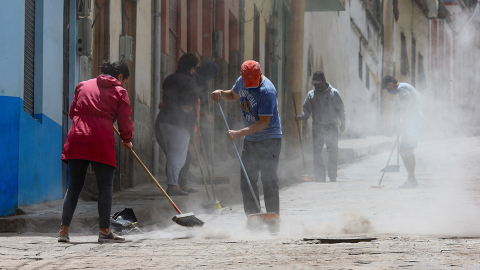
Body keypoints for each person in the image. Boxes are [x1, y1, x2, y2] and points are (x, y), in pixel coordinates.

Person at [59, 62, 134, 243]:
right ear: (121, 77)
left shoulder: (83, 85)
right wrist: (127, 139)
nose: (124, 85)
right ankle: (104, 231)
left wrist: (90, 115)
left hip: (78, 135)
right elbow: (124, 120)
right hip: (101, 138)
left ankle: (63, 230)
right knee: (105, 187)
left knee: (74, 186)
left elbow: (72, 112)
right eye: (125, 81)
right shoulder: (120, 91)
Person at [211, 60, 282, 216]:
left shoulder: (267, 91)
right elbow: (233, 95)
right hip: (251, 140)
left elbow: (263, 123)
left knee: (269, 180)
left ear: (260, 74)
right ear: (242, 76)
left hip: (270, 139)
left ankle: (272, 217)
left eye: (253, 81)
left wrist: (238, 133)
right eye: (247, 81)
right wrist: (221, 93)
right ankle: (253, 217)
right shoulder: (241, 81)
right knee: (247, 181)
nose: (249, 85)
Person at [155, 53, 200, 196]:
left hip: (163, 122)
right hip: (179, 124)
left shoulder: (169, 79)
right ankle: (173, 186)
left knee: (178, 155)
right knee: (177, 156)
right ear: (192, 68)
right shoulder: (190, 81)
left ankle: (183, 185)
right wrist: (192, 127)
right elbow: (190, 104)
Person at [295, 71, 346, 182]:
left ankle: (332, 176)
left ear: (324, 81)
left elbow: (341, 109)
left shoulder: (334, 93)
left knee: (332, 151)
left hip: (331, 126)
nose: (317, 87)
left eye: (319, 84)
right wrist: (300, 116)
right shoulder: (311, 95)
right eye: (315, 85)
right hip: (317, 127)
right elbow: (306, 112)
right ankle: (320, 177)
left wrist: (343, 122)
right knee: (317, 152)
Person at [177, 61, 219, 185]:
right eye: (210, 76)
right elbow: (196, 100)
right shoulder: (197, 80)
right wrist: (206, 115)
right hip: (188, 116)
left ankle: (184, 171)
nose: (209, 80)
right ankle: (184, 171)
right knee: (191, 142)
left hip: (188, 116)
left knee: (191, 141)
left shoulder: (197, 78)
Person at [382, 75, 424, 188]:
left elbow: (410, 102)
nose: (388, 91)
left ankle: (412, 179)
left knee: (406, 149)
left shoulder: (401, 88)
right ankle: (411, 179)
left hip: (414, 122)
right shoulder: (404, 87)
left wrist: (403, 119)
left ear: (390, 84)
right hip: (413, 122)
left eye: (387, 88)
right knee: (406, 149)